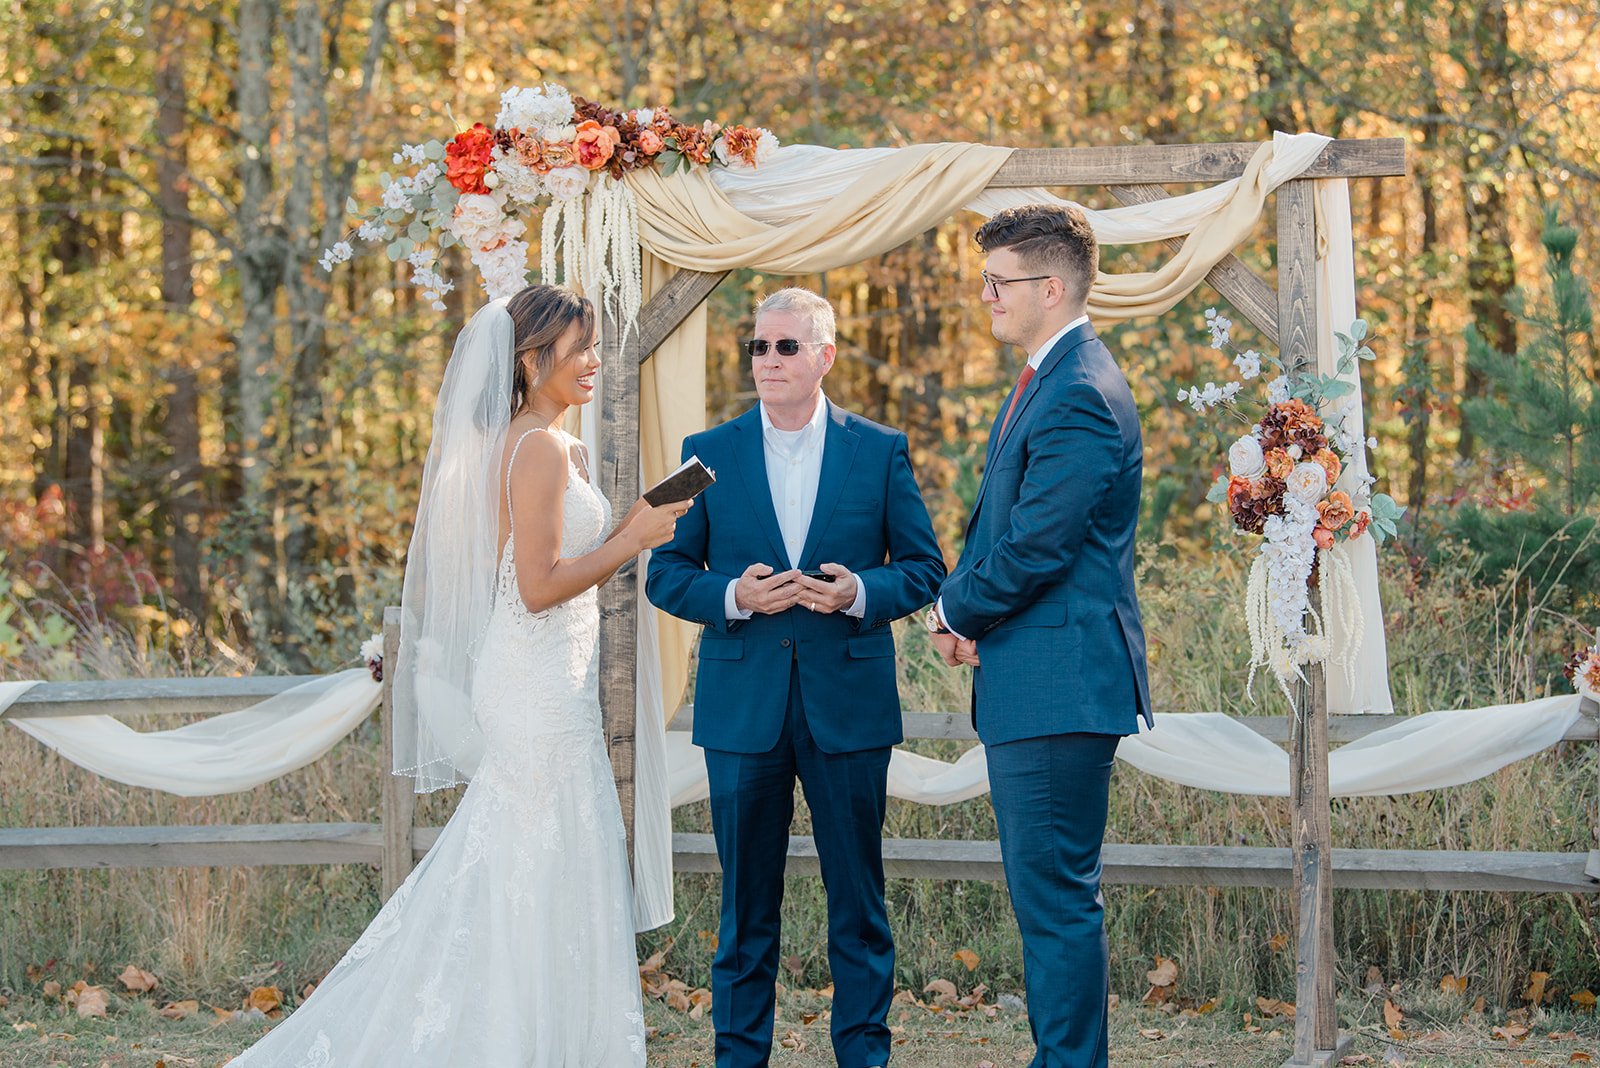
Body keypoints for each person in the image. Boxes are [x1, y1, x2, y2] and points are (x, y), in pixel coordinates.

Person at [230, 285, 691, 1066]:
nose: (593, 361)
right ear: (529, 357)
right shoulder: (537, 447)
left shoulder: (534, 440)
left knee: (542, 862)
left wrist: (619, 530)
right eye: (579, 348)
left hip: (545, 681)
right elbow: (540, 588)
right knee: (540, 858)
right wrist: (633, 537)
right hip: (536, 688)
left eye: (593, 346)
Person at [646, 287, 945, 1068]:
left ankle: (864, 1058)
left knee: (859, 905)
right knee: (746, 910)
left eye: (785, 346)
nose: (768, 360)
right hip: (742, 712)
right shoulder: (702, 453)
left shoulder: (879, 449)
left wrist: (860, 593)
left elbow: (925, 566)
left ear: (825, 356)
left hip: (849, 706)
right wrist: (730, 597)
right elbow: (662, 570)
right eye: (757, 346)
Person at [926, 205, 1152, 1068]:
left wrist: (953, 612)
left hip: (1061, 681)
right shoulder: (1049, 377)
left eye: (998, 282)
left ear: (1049, 288)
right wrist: (966, 614)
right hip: (1035, 672)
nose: (985, 296)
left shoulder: (1081, 393)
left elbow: (1037, 544)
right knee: (1048, 896)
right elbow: (1008, 530)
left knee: (1055, 900)